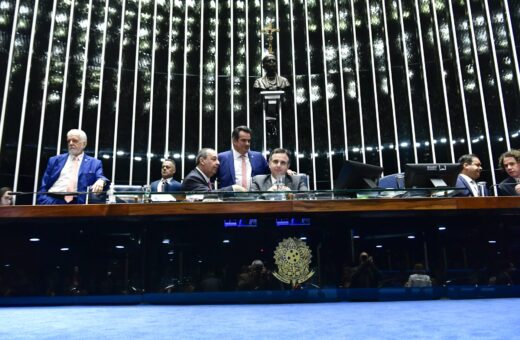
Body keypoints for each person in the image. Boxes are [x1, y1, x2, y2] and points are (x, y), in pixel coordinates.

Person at [37, 129, 109, 204]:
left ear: (84, 144)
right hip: (52, 200)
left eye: (75, 140)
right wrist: (43, 200)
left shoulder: (94, 163)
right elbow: (44, 185)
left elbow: (101, 177)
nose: (71, 143)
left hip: (78, 202)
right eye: (69, 141)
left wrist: (101, 181)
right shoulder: (54, 160)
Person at [181, 148, 246, 192]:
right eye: (214, 159)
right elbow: (209, 195)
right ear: (202, 161)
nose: (218, 163)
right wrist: (233, 188)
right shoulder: (193, 178)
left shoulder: (205, 178)